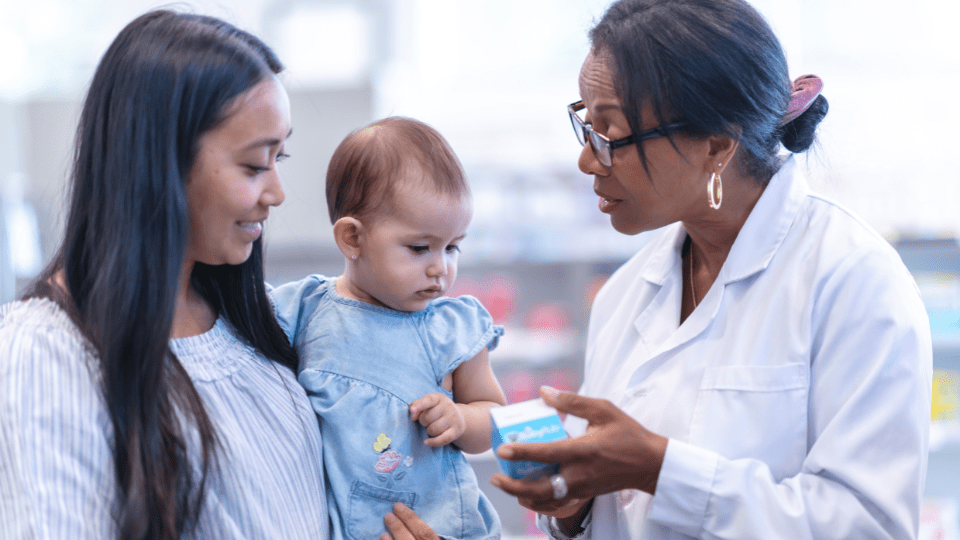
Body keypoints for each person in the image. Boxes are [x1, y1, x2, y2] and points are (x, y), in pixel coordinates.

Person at [491, 0, 933, 539]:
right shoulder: (625, 293)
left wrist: (659, 469)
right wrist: (573, 507)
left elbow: (871, 526)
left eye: (610, 134)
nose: (588, 159)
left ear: (716, 146)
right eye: (586, 123)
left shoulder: (853, 280)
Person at [0, 11, 439, 540]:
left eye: (281, 157)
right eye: (255, 165)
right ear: (157, 161)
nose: (277, 191)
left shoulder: (260, 326)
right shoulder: (44, 353)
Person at [270, 117, 507, 540]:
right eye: (420, 248)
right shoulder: (305, 311)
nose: (441, 268)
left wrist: (460, 418)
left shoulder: (453, 329)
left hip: (440, 526)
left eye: (452, 246)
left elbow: (494, 416)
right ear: (352, 239)